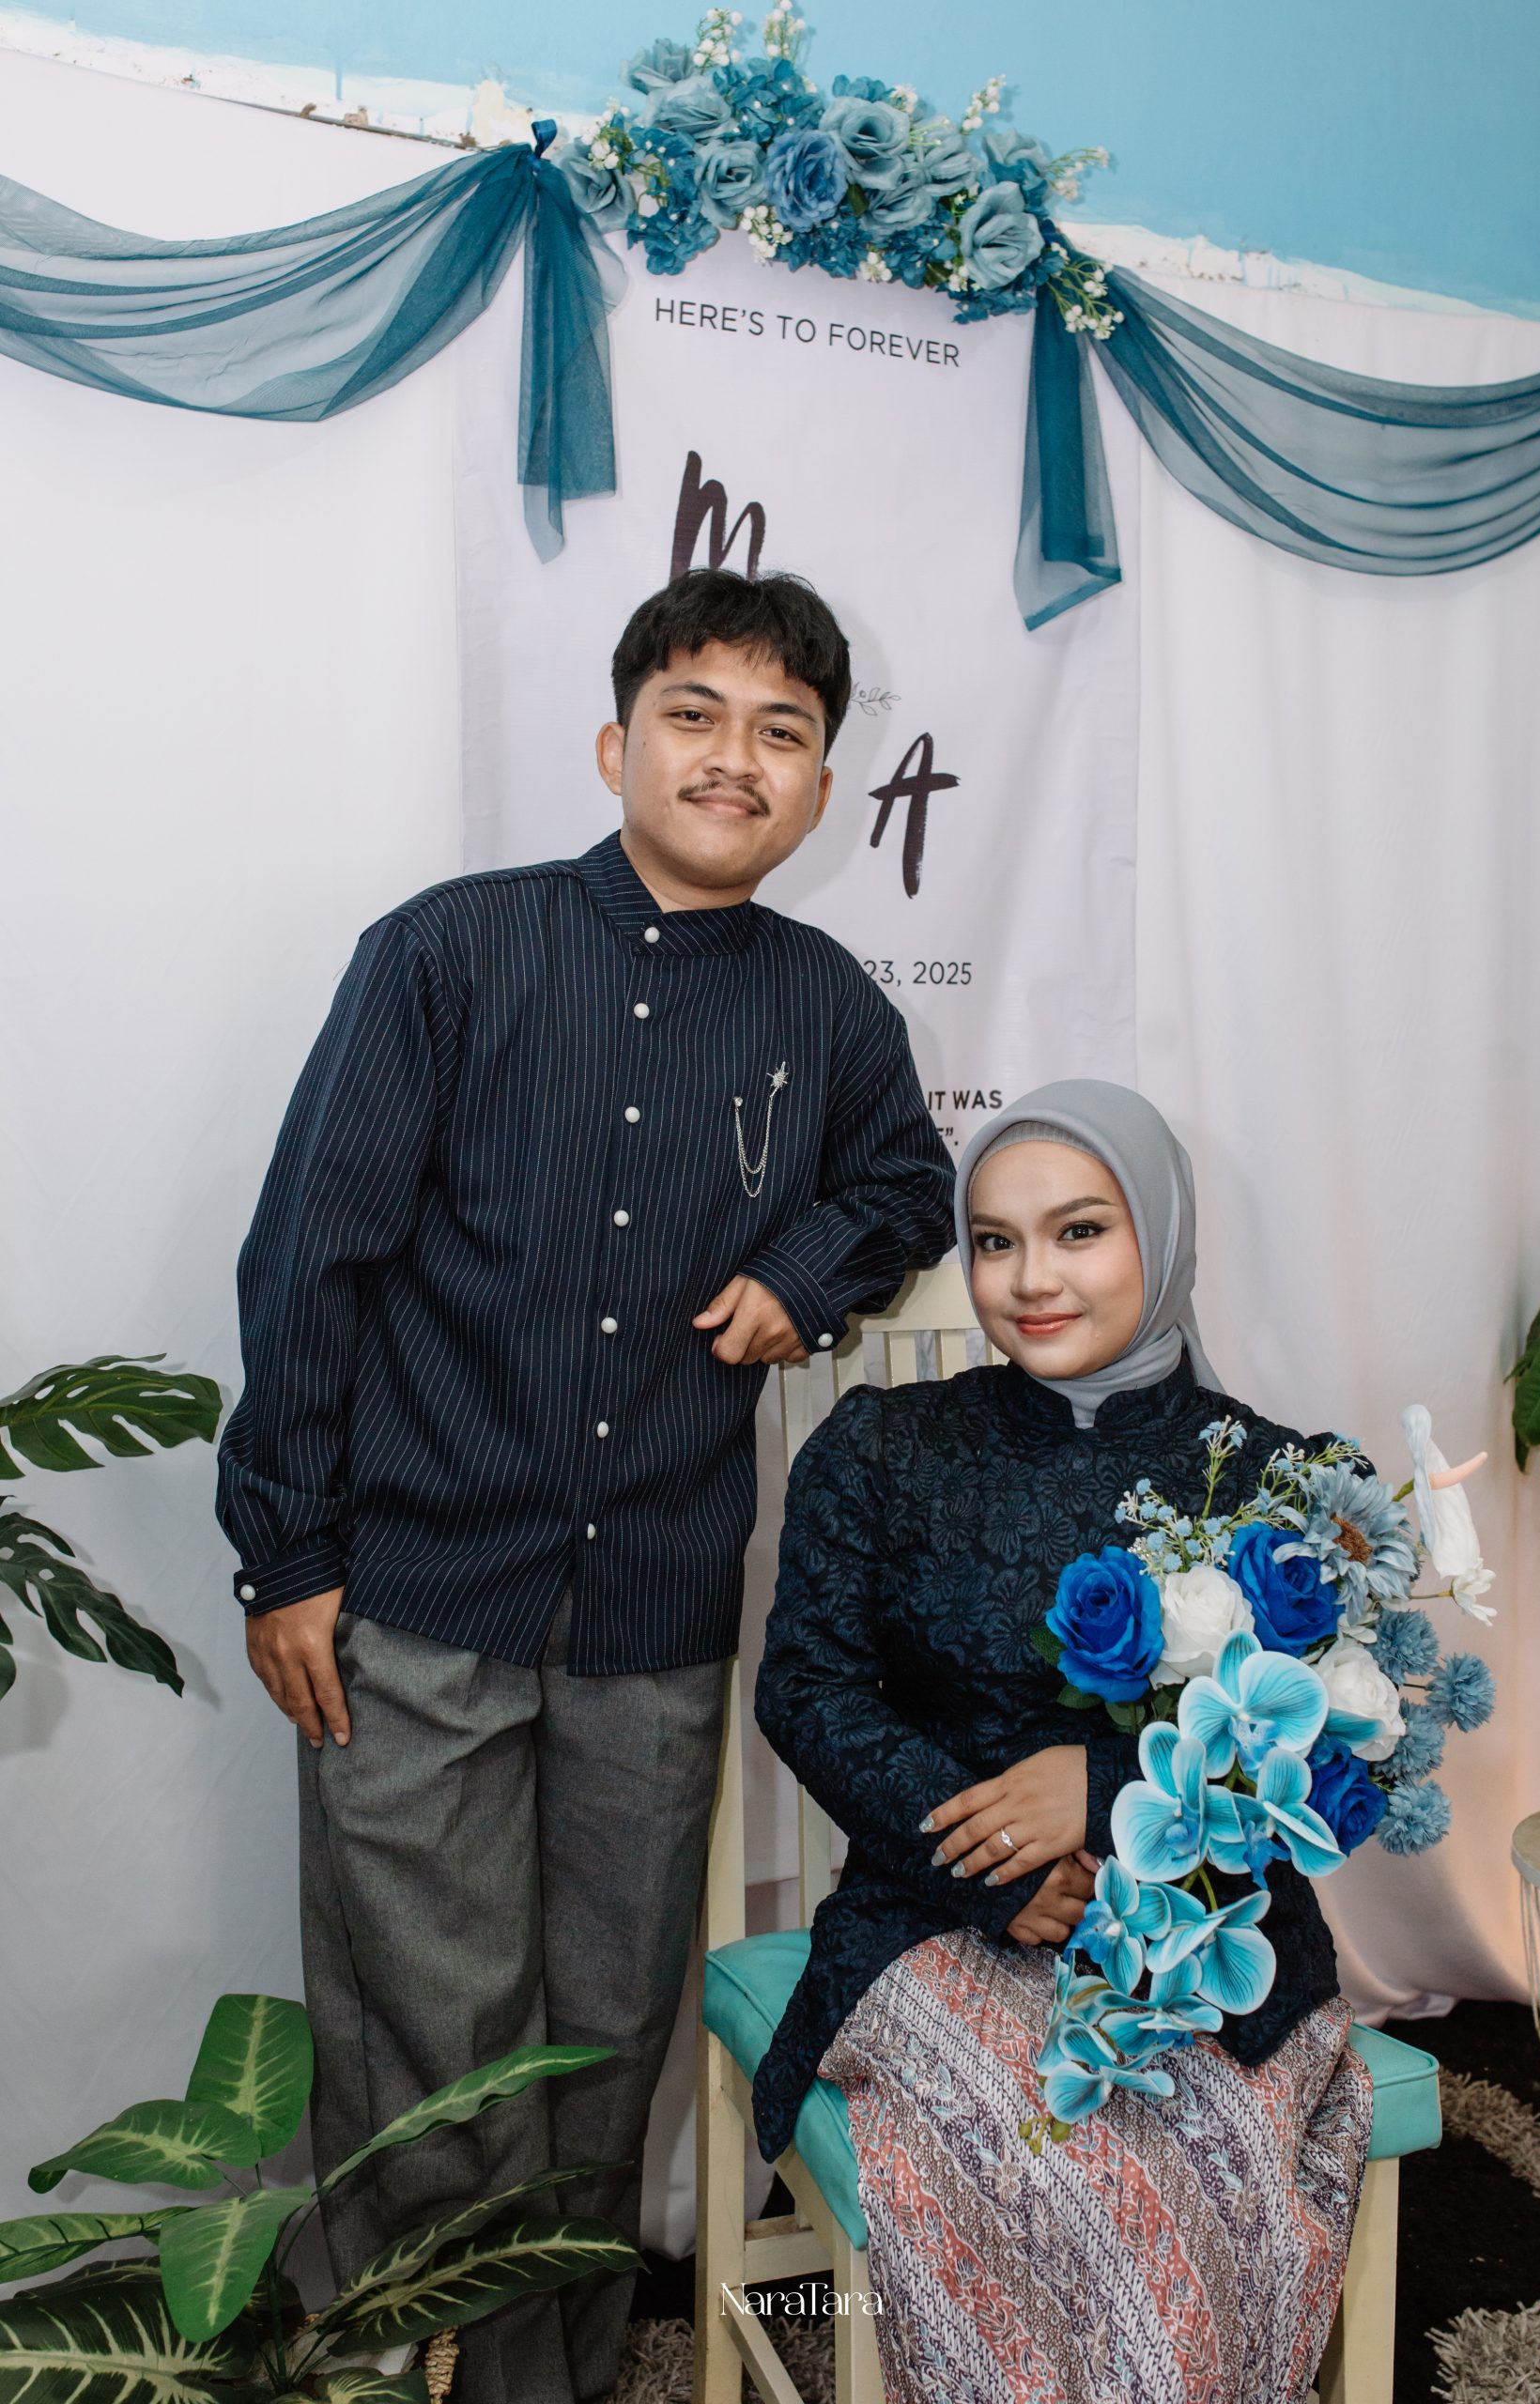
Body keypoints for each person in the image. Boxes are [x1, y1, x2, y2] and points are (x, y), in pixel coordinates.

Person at [215, 568, 955, 2404]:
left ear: (820, 788)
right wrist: (284, 1553)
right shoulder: (446, 954)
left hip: (655, 1615)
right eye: (695, 714)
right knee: (423, 2031)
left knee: (611, 2028)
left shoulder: (826, 1007)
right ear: (617, 742)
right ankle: (393, 2355)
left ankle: (544, 2379)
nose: (734, 757)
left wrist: (803, 1265)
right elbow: (309, 1254)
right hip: (412, 1596)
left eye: (781, 732)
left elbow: (907, 1185)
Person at [751, 1080, 1373, 2404]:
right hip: (932, 1915)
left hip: (1208, 1940)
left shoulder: (1283, 1486)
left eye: (1079, 1230)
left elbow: (1330, 1753)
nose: (1030, 1279)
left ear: (1163, 1234)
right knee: (1056, 2174)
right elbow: (807, 1690)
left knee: (1190, 2185)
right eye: (994, 1241)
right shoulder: (884, 1449)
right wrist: (994, 1861)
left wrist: (1102, 1787)